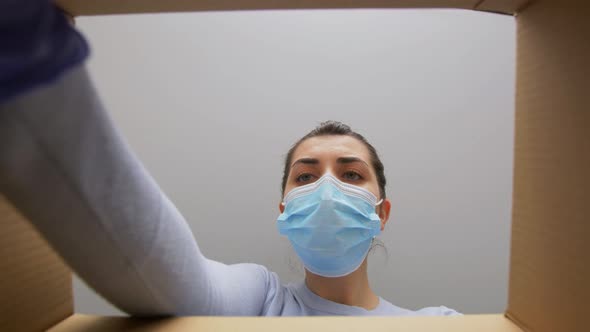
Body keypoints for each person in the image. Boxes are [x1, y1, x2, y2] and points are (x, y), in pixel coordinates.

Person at [0, 1, 459, 316]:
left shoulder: (441, 321)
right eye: (304, 177)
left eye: (352, 173)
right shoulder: (260, 299)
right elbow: (172, 283)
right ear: (283, 209)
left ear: (383, 212)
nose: (325, 190)